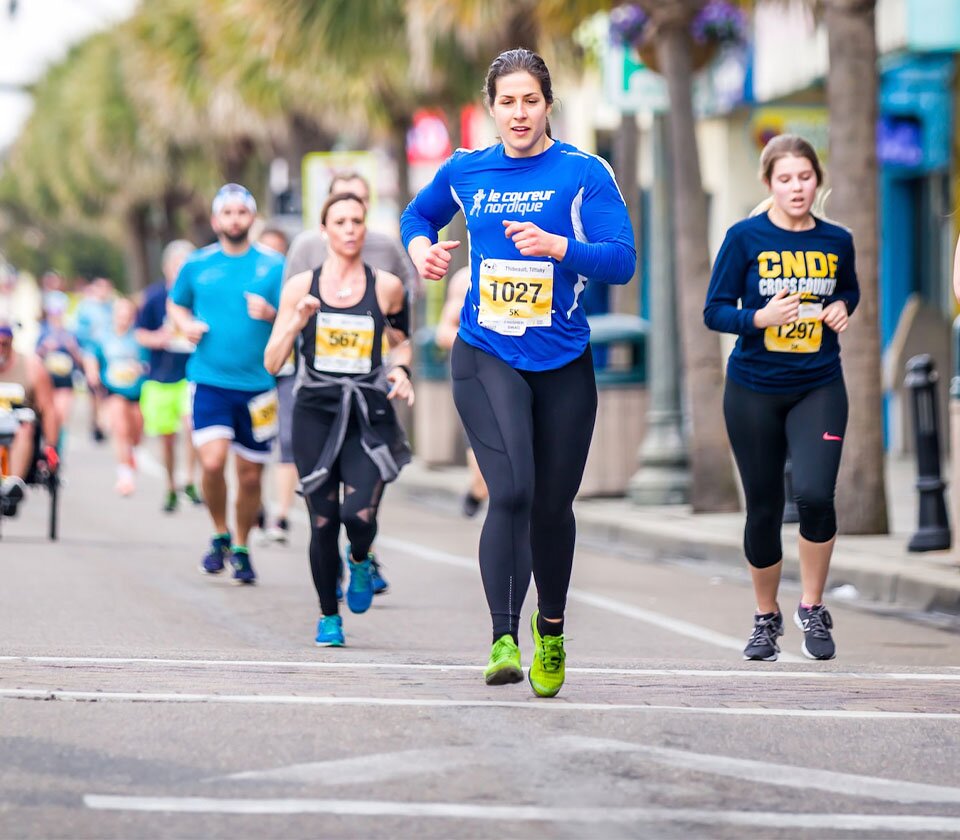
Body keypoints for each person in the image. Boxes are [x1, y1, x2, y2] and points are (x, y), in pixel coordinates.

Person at [401, 48, 636, 696]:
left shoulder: (583, 172)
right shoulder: (466, 169)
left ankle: (550, 630)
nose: (520, 113)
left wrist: (559, 246)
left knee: (552, 507)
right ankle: (503, 638)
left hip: (563, 362)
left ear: (548, 105)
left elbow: (621, 260)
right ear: (492, 107)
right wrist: (422, 250)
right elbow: (417, 215)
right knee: (511, 491)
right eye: (507, 101)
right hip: (487, 352)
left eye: (531, 100)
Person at [703, 134, 860, 662]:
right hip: (753, 390)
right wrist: (760, 318)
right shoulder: (744, 238)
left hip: (819, 384)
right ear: (769, 184)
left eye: (805, 177)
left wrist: (842, 307)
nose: (797, 188)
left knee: (815, 495)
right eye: (785, 179)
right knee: (765, 506)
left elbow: (849, 289)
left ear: (818, 181)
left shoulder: (837, 240)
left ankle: (812, 606)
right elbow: (715, 311)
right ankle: (765, 617)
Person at [264, 190, 414, 647]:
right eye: (340, 222)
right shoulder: (300, 287)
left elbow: (402, 341)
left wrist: (401, 370)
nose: (350, 229)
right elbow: (272, 362)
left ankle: (361, 558)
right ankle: (329, 615)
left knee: (357, 514)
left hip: (367, 413)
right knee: (323, 521)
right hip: (316, 412)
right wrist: (296, 321)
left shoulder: (386, 287)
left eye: (357, 221)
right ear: (324, 230)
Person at [169, 183, 284, 585]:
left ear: (252, 217)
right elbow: (176, 302)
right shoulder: (197, 264)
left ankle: (241, 546)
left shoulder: (274, 265)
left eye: (242, 212)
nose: (235, 220)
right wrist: (185, 324)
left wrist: (271, 314)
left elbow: (293, 314)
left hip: (259, 386)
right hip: (210, 380)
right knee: (213, 462)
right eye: (228, 213)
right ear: (216, 220)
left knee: (250, 476)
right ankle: (219, 533)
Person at [135, 239, 202, 513]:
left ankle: (190, 480)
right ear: (166, 267)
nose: (180, 270)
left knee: (192, 426)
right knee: (167, 437)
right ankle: (171, 485)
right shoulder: (154, 297)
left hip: (192, 374)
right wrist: (158, 338)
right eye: (176, 265)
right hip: (161, 378)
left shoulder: (199, 296)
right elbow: (140, 333)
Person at [434, 266, 488, 517]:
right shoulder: (467, 276)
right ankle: (476, 493)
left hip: (529, 379)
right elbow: (443, 333)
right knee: (484, 480)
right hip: (480, 384)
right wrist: (490, 344)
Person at [254, 226, 297, 543]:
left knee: (288, 438)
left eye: (277, 251)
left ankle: (281, 515)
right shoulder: (248, 280)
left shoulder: (296, 283)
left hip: (287, 370)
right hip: (255, 373)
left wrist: (273, 315)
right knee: (258, 439)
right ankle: (257, 506)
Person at [84, 297, 148, 496]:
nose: (124, 319)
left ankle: (132, 453)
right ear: (114, 315)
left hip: (136, 392)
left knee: (136, 433)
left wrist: (139, 368)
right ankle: (125, 476)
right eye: (121, 314)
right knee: (120, 428)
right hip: (113, 390)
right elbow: (90, 356)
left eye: (128, 315)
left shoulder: (138, 338)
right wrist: (92, 372)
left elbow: (147, 364)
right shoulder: (103, 337)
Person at [0, 322, 59, 515]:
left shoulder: (31, 367)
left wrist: (51, 446)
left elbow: (48, 409)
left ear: (11, 342)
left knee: (26, 428)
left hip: (19, 429)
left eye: (4, 344)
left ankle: (14, 483)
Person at [35, 290, 83, 453]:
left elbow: (81, 359)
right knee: (49, 415)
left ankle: (56, 451)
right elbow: (34, 357)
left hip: (65, 380)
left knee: (61, 416)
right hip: (46, 380)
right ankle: (47, 447)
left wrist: (72, 348)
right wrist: (45, 348)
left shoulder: (71, 331)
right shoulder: (42, 330)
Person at [74, 277, 115, 443]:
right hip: (91, 352)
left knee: (106, 387)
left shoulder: (111, 307)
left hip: (108, 354)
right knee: (95, 387)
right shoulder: (86, 308)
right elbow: (79, 333)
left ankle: (102, 420)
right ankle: (97, 421)